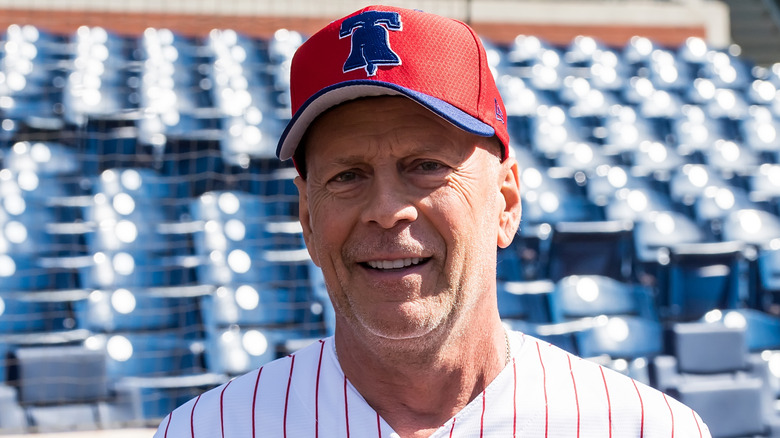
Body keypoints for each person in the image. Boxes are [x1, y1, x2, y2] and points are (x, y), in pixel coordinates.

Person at [155, 5, 710, 437]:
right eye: (347, 176)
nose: (386, 209)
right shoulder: (208, 430)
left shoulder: (641, 426)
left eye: (426, 166)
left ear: (506, 202)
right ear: (306, 216)